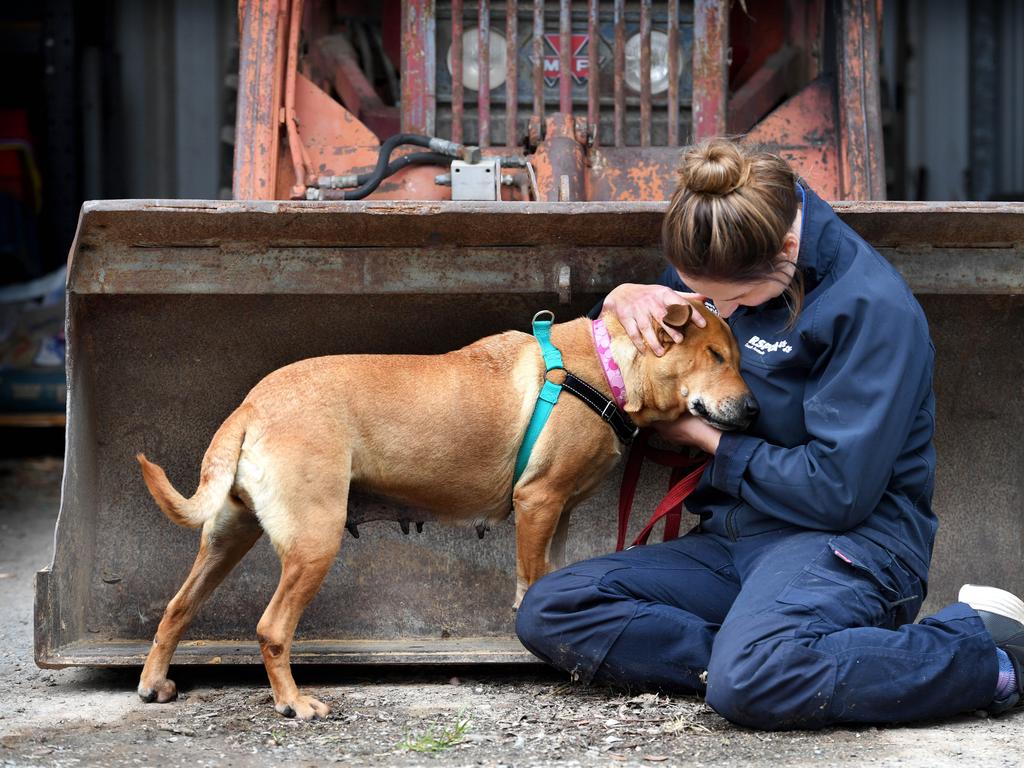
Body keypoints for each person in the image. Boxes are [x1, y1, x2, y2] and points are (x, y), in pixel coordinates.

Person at [514, 138, 1024, 728]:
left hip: (852, 545)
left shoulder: (870, 307)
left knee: (750, 680)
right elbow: (672, 321)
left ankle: (985, 653)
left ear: (785, 249)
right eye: (702, 296)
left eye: (732, 301)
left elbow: (838, 494)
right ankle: (765, 658)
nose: (717, 314)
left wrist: (708, 441)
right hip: (733, 539)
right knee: (551, 609)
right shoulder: (732, 251)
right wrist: (624, 299)